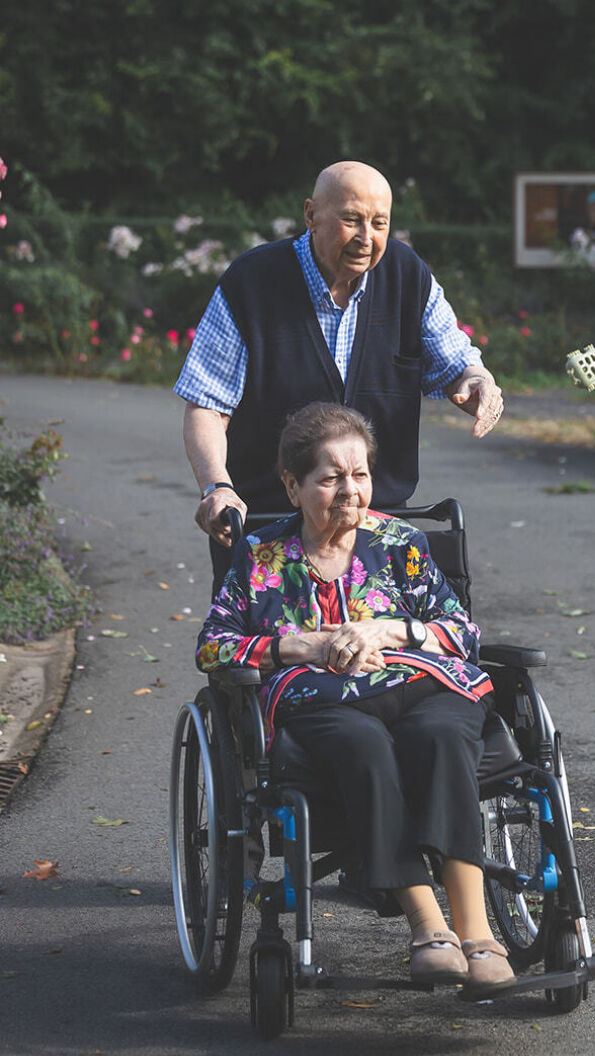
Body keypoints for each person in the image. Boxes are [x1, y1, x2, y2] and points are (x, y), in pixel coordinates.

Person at [195, 402, 515, 990]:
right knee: (365, 745)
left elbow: (463, 634)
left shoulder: (401, 544)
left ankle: (479, 934)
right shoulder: (261, 558)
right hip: (327, 702)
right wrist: (303, 646)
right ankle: (429, 927)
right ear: (292, 486)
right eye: (331, 477)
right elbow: (213, 648)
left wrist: (390, 630)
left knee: (443, 735)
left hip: (423, 684)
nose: (351, 491)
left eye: (360, 474)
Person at [174, 161, 505, 590]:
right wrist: (216, 488)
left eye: (380, 223)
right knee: (279, 653)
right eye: (351, 220)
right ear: (310, 215)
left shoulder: (407, 276)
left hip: (377, 528)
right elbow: (207, 404)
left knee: (384, 652)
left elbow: (457, 361)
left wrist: (474, 380)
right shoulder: (252, 282)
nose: (367, 238)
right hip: (268, 527)